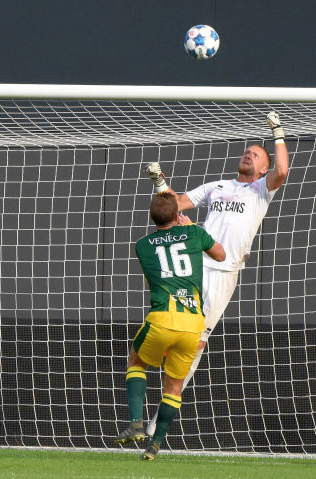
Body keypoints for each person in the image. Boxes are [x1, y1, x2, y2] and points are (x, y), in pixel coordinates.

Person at [143, 111, 289, 435]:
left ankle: (160, 419)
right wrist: (161, 185)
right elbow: (175, 207)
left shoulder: (262, 190)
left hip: (222, 272)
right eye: (247, 151)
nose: (248, 154)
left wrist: (277, 131)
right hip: (194, 265)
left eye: (256, 154)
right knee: (170, 329)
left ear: (263, 168)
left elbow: (283, 170)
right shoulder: (218, 186)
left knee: (194, 344)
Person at [115, 192, 226, 460]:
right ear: (178, 216)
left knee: (136, 362)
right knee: (174, 388)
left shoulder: (142, 245)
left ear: (152, 218)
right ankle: (155, 445)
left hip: (162, 318)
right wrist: (189, 228)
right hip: (192, 325)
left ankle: (136, 423)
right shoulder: (195, 234)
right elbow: (221, 255)